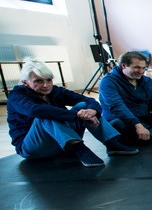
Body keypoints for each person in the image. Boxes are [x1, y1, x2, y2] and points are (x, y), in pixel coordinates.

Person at [7, 58, 139, 167]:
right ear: (25, 83)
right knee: (44, 114)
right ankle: (80, 149)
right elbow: (34, 110)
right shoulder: (16, 96)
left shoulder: (55, 91)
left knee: (82, 105)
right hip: (32, 148)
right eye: (39, 81)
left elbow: (87, 100)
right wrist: (75, 115)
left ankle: (112, 143)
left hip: (60, 144)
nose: (46, 85)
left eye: (48, 80)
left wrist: (91, 111)